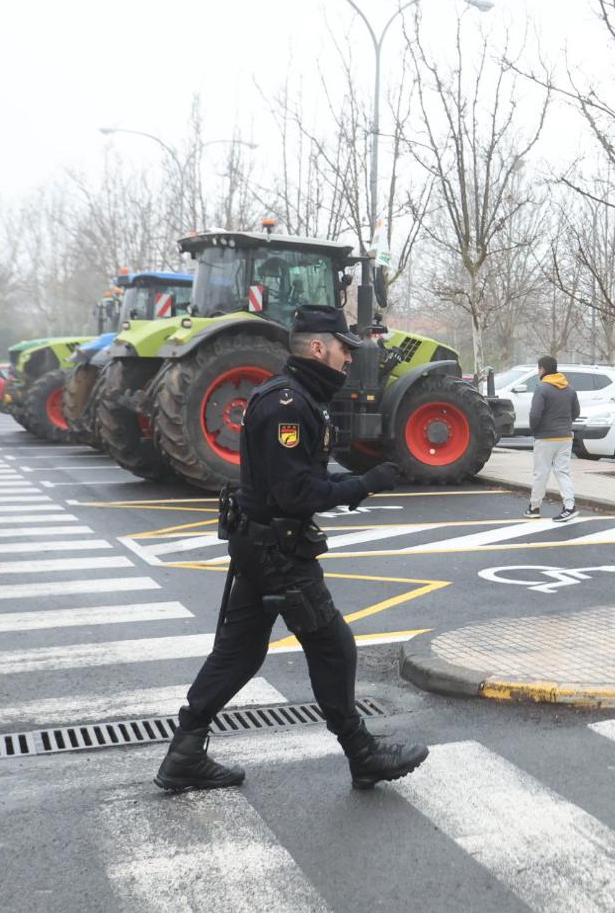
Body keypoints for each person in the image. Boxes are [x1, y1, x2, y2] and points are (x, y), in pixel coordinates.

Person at [155, 305, 426, 793]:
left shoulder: (299, 397)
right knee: (333, 647)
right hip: (276, 551)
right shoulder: (287, 404)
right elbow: (295, 493)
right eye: (345, 348)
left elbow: (301, 477)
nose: (350, 359)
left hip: (262, 544)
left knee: (239, 654)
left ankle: (185, 750)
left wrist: (352, 478)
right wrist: (365, 483)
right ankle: (362, 753)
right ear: (319, 347)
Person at [526, 355, 581, 522]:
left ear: (542, 369)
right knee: (563, 472)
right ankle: (570, 507)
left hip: (545, 438)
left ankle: (534, 507)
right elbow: (576, 413)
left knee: (541, 473)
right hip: (565, 437)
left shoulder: (542, 388)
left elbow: (535, 415)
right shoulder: (569, 389)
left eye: (538, 369)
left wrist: (535, 430)